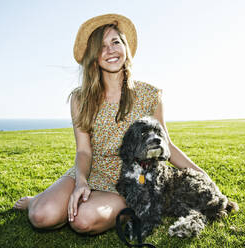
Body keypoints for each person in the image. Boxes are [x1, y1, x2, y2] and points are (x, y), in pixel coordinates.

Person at [13, 13, 210, 235]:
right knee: (41, 215)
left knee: (82, 221)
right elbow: (83, 151)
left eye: (115, 42)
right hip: (91, 171)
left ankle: (98, 206)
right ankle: (38, 201)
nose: (110, 50)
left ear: (125, 48)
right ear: (93, 57)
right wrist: (81, 182)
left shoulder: (150, 95)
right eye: (101, 46)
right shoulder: (80, 98)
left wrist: (205, 176)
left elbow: (167, 146)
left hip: (132, 182)